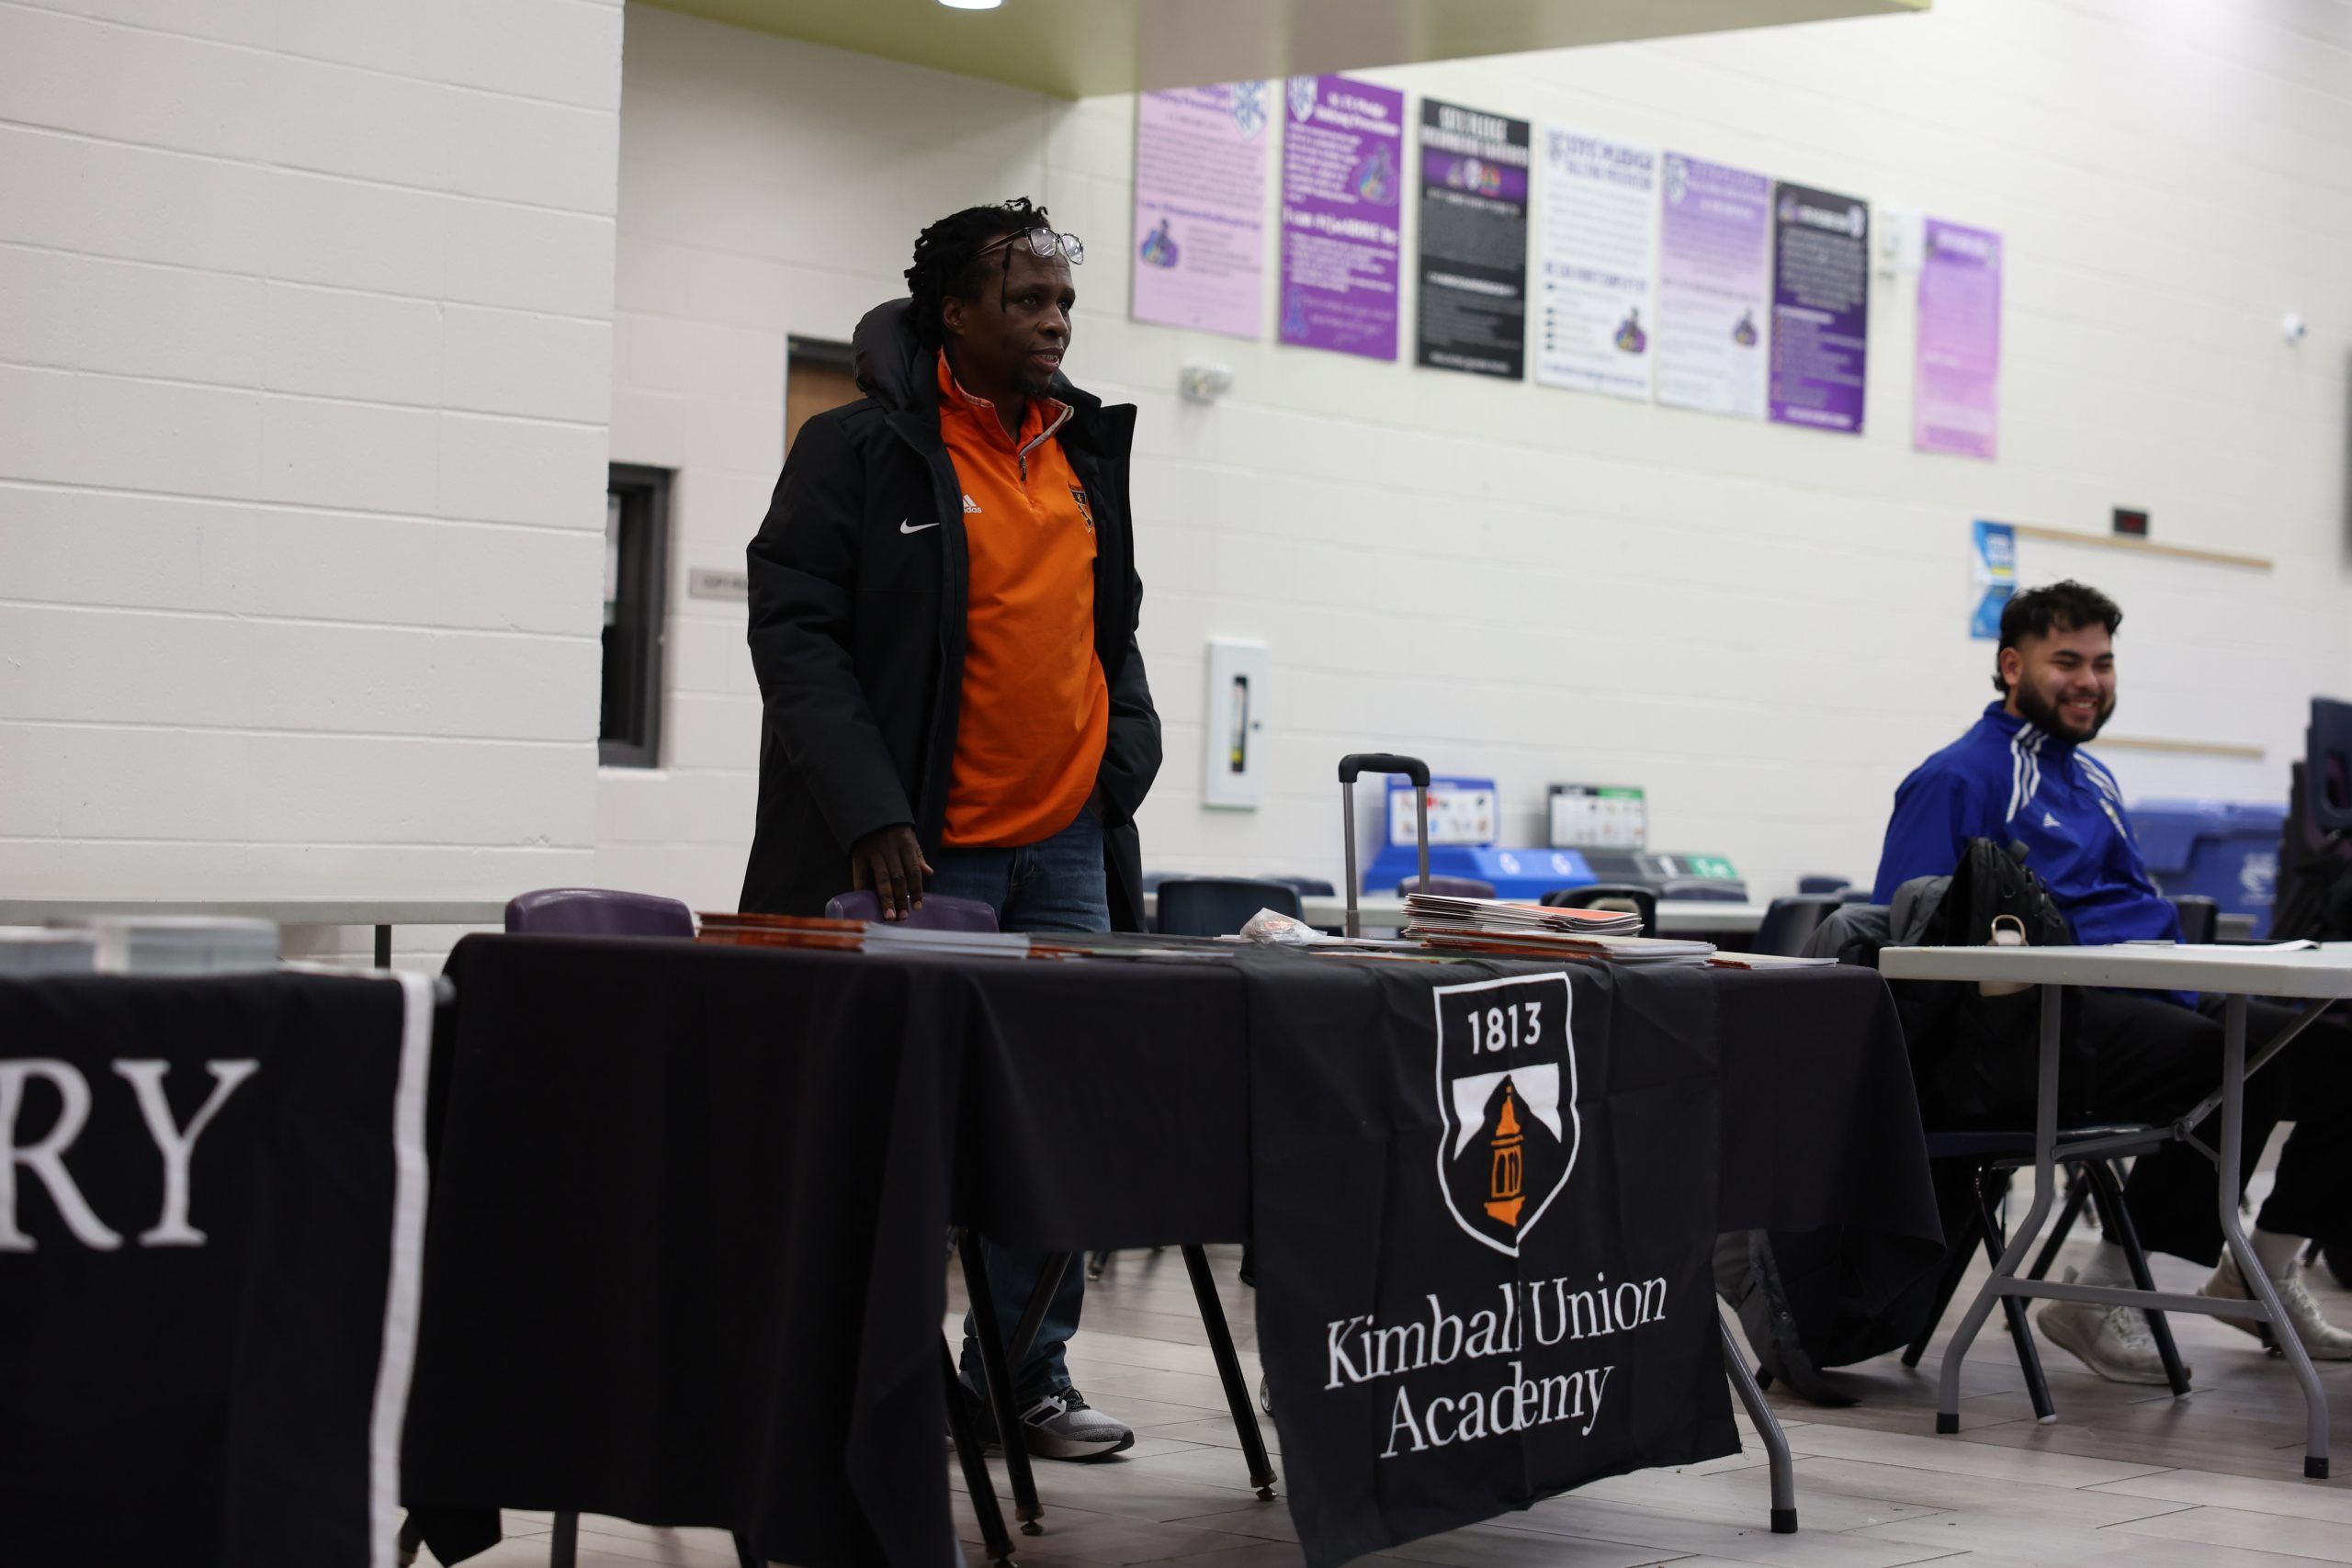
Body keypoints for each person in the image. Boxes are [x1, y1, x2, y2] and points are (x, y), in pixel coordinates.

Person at [741, 197, 1161, 1457]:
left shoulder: (1083, 452)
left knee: (1056, 1122)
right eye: (1026, 300)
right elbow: (797, 640)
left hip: (1067, 846)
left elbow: (1111, 630)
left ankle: (1025, 1376)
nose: (1054, 322)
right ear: (954, 314)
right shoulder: (856, 449)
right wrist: (870, 810)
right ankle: (881, 1383)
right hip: (928, 852)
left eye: (1063, 300)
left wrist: (1120, 765)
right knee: (905, 1129)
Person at [1873, 580, 2352, 1382]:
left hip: (2146, 996)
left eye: (2102, 662)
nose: (2089, 680)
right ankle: (2102, 1293)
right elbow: (1910, 939)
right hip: (2039, 1027)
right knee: (2236, 1062)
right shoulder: (1959, 777)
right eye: (2067, 661)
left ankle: (2260, 1272)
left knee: (2336, 1056)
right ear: (2012, 666)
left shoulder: (2093, 779)